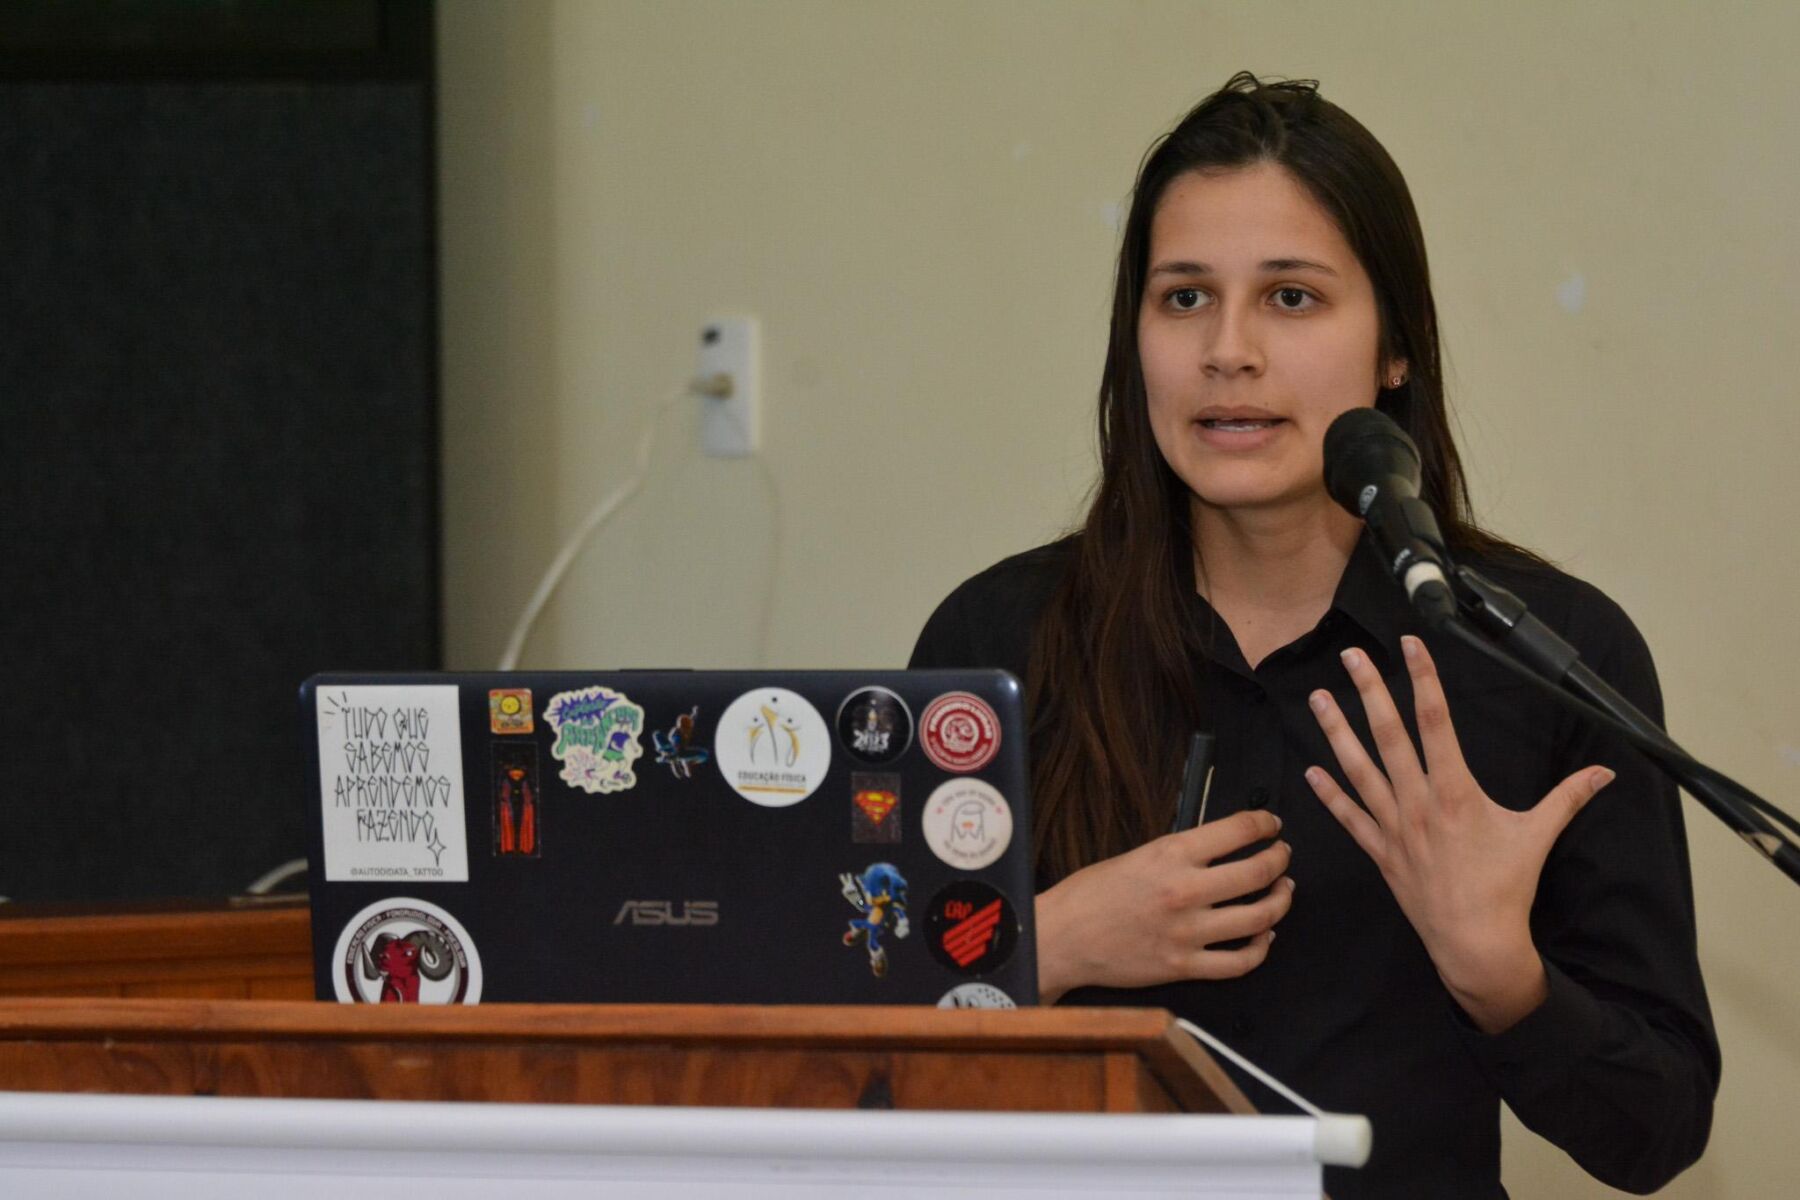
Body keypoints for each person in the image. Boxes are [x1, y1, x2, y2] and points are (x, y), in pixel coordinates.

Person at [909, 73, 1718, 1198]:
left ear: (1395, 348)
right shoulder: (999, 640)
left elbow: (1657, 1131)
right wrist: (1052, 942)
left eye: (1291, 299)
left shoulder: (1542, 659)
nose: (1227, 351)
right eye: (1184, 298)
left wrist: (1504, 979)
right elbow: (866, 1055)